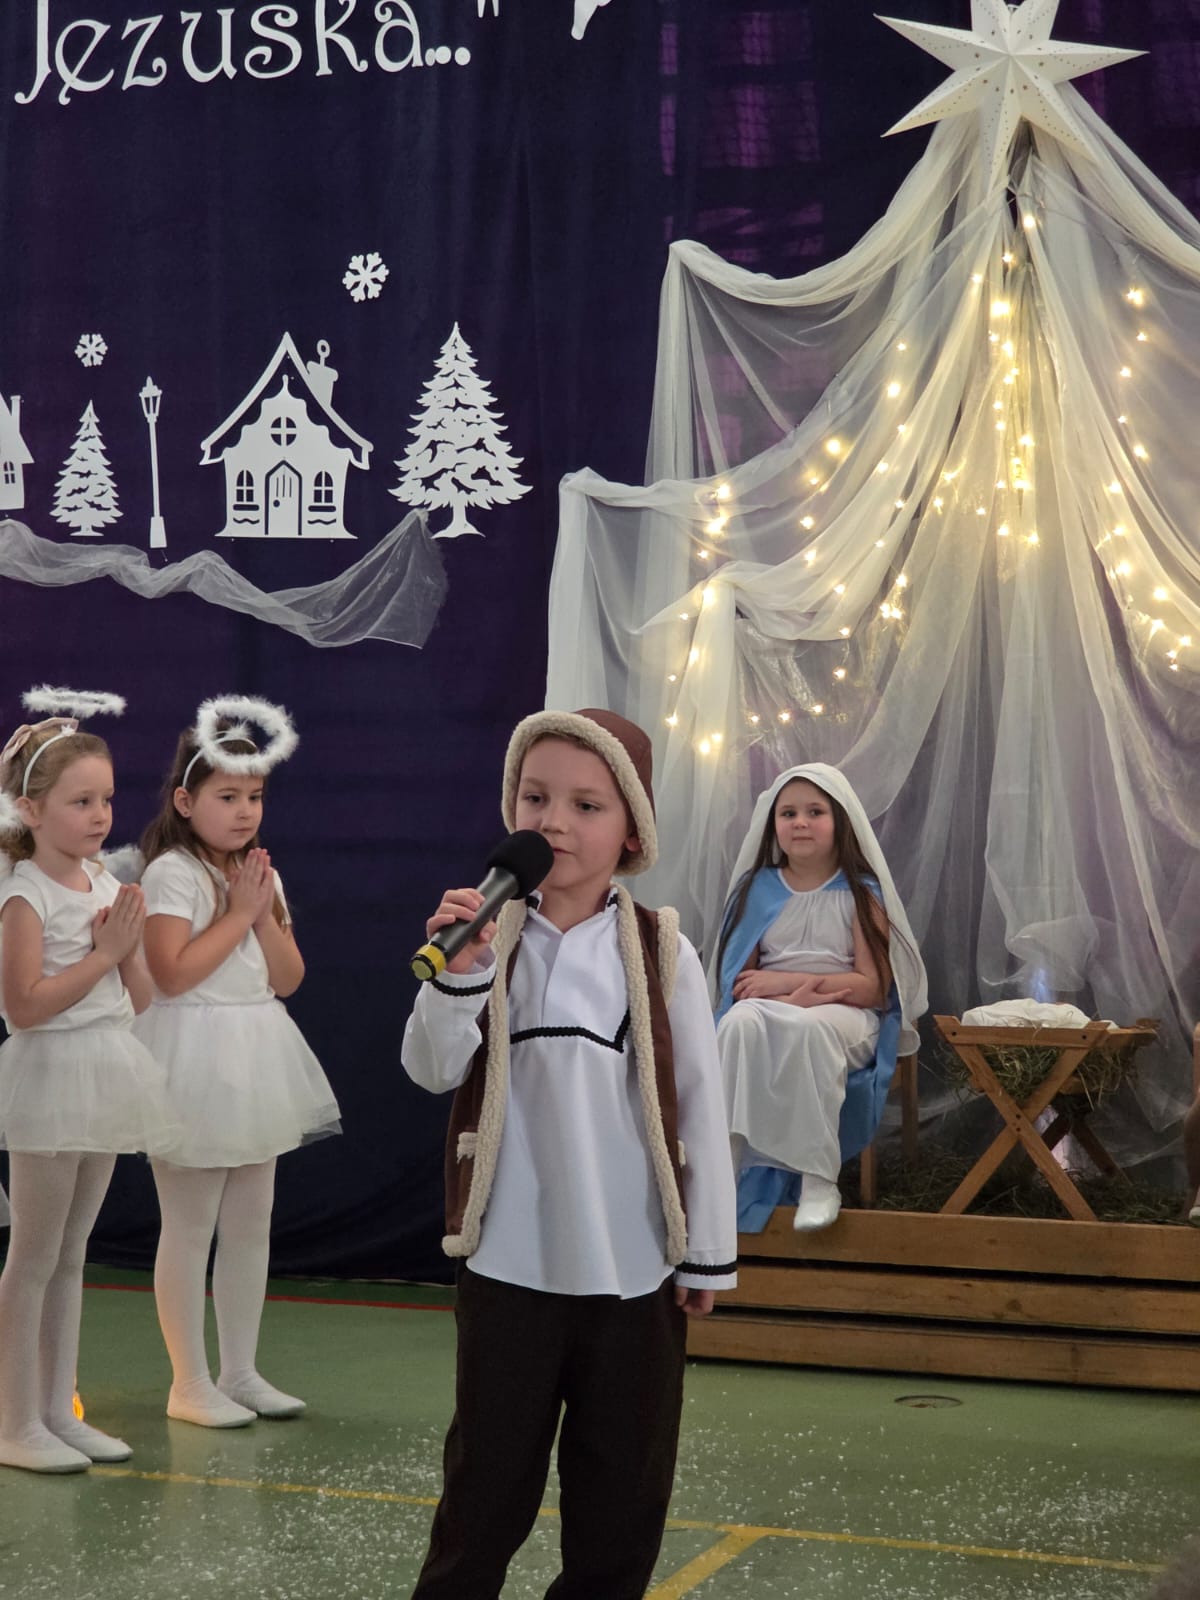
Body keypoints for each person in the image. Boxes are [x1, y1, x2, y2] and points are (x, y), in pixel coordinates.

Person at [402, 708, 738, 1600]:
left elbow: (699, 1105)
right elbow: (431, 1069)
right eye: (535, 797)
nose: (553, 821)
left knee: (621, 1501)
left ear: (632, 831)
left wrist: (705, 1250)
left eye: (586, 805)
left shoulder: (663, 950)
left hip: (633, 1272)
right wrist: (460, 976)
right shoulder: (484, 937)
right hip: (510, 1266)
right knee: (484, 1493)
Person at [134, 697, 340, 1429]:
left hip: (256, 1052)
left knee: (252, 1223)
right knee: (190, 1226)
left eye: (255, 796)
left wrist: (259, 910)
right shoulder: (172, 874)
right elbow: (171, 975)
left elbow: (287, 978)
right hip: (192, 1051)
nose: (245, 810)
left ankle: (240, 1372)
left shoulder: (260, 876)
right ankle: (188, 1383)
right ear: (186, 801)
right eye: (227, 796)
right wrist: (239, 914)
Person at [0, 690, 179, 1473]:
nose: (100, 815)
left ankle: (56, 1410)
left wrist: (127, 950)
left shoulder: (102, 885)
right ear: (31, 810)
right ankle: (14, 1422)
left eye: (105, 799)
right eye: (80, 802)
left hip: (106, 1067)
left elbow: (139, 999)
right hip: (49, 1073)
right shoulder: (24, 894)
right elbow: (25, 1006)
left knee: (73, 1253)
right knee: (33, 1258)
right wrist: (105, 955)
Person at [713, 764, 926, 1231]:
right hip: (775, 1008)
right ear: (773, 824)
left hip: (846, 1016)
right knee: (737, 1025)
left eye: (815, 812)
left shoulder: (860, 893)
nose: (801, 823)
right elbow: (742, 984)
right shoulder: (757, 889)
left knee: (811, 1029)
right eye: (788, 813)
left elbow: (871, 988)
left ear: (839, 821)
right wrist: (789, 997)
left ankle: (817, 1180)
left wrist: (789, 985)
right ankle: (724, 1169)